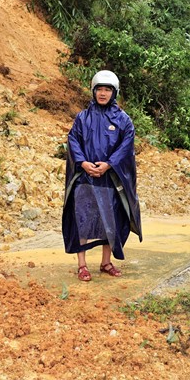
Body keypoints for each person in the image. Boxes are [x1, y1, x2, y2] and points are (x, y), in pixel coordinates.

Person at [62, 70, 142, 281]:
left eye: (107, 89)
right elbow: (73, 141)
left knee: (111, 221)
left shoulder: (123, 120)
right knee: (83, 220)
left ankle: (106, 262)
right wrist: (83, 162)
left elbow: (126, 146)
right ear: (93, 91)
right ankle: (82, 265)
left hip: (110, 179)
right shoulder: (82, 117)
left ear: (114, 92)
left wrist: (108, 164)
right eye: (100, 89)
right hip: (85, 179)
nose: (103, 93)